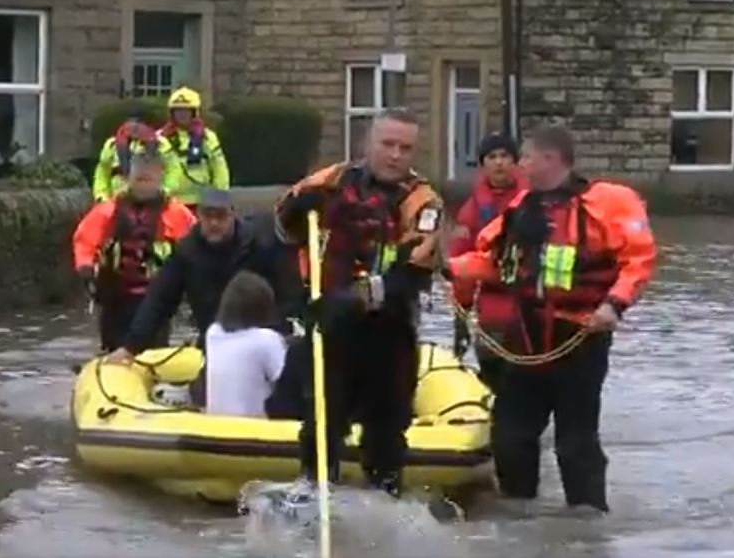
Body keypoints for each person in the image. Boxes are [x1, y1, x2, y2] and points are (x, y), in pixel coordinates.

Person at [444, 124, 656, 512]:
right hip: (526, 340)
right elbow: (492, 262)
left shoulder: (607, 203)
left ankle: (586, 527)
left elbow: (638, 261)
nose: (517, 164)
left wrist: (614, 305)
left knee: (575, 444)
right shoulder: (521, 208)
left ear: (549, 159)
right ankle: (519, 519)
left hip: (580, 339)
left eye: (524, 156)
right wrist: (446, 269)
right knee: (510, 437)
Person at [273, 109, 444, 497]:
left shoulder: (424, 201)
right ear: (368, 143)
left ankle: (383, 505)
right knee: (320, 422)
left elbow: (412, 271)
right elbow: (283, 227)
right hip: (331, 326)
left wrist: (356, 298)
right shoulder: (331, 181)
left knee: (386, 432)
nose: (396, 155)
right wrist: (294, 213)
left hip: (389, 331)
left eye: (406, 148)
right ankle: (314, 496)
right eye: (388, 144)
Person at [105, 188, 298, 404]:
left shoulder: (259, 245)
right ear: (198, 216)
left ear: (233, 215)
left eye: (221, 216)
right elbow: (159, 300)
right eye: (208, 216)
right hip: (217, 340)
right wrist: (131, 346)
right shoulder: (187, 252)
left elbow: (288, 289)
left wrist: (287, 328)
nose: (214, 223)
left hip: (264, 334)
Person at [73, 153, 196, 352]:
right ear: (128, 178)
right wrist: (85, 267)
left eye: (148, 180)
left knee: (154, 349)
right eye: (139, 179)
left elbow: (194, 247)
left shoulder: (176, 214)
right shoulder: (108, 211)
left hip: (157, 297)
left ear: (159, 179)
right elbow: (85, 239)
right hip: (116, 295)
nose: (143, 186)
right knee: (114, 347)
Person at [448, 131, 528, 392]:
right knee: (494, 378)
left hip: (530, 308)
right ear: (483, 165)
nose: (499, 163)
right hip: (491, 310)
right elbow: (460, 266)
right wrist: (461, 317)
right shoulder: (471, 211)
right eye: (492, 157)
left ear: (515, 161)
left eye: (505, 156)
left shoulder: (536, 201)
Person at [204, 271, 288, 417]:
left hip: (216, 428)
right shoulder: (267, 340)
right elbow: (287, 384)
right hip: (254, 431)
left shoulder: (212, 333)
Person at [159, 87, 231, 208]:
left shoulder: (207, 137)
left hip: (202, 201)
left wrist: (219, 199)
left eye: (186, 111)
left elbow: (219, 168)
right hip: (170, 202)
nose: (182, 115)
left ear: (194, 113)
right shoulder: (160, 138)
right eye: (178, 111)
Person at [92, 117, 176, 203]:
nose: (134, 130)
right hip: (118, 199)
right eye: (130, 127)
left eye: (138, 127)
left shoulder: (160, 143)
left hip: (153, 198)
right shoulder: (112, 144)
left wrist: (167, 190)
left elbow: (173, 168)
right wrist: (101, 195)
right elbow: (103, 171)